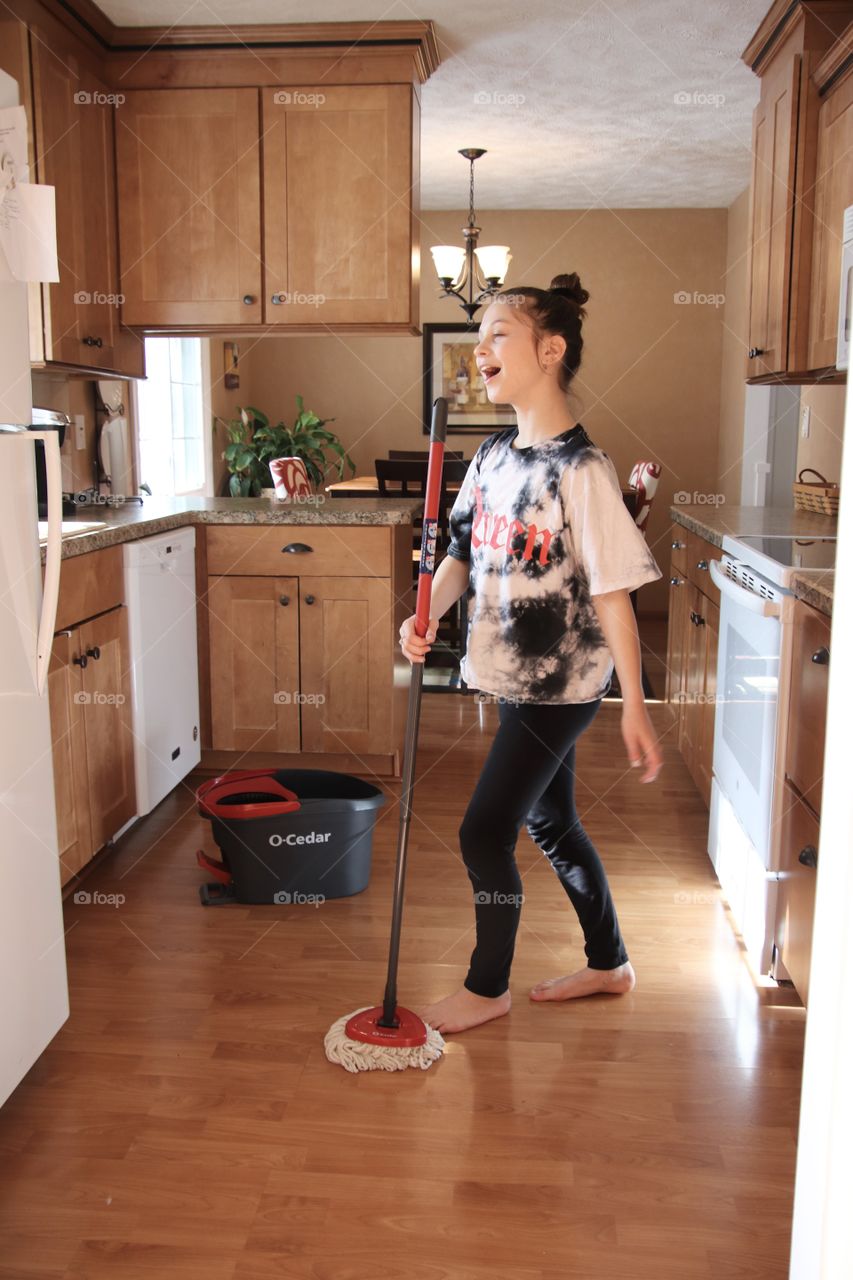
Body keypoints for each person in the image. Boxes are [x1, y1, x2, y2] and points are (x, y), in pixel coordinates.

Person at [399, 272, 664, 1035]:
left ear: (550, 351)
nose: (480, 348)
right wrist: (421, 617)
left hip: (563, 685)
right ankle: (608, 962)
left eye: (497, 335)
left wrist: (635, 705)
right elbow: (457, 554)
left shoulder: (582, 471)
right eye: (479, 336)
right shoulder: (489, 458)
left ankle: (487, 987)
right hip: (514, 678)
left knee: (483, 831)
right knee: (550, 824)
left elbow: (613, 591)